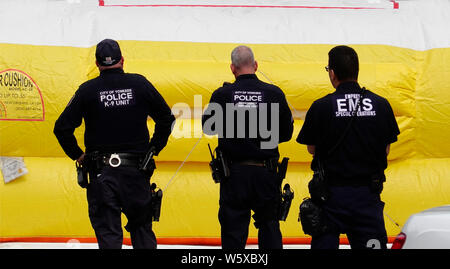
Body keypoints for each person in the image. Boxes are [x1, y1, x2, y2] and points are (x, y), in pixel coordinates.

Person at [53, 39, 175, 249]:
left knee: (109, 236)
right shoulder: (139, 84)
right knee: (142, 232)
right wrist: (153, 149)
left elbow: (61, 128)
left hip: (102, 175)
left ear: (97, 64)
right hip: (136, 172)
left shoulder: (88, 90)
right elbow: (167, 119)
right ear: (122, 60)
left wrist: (79, 156)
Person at [297, 45, 400, 249]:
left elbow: (311, 148)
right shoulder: (380, 104)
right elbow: (386, 148)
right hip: (367, 197)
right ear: (357, 70)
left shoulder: (322, 106)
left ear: (333, 73)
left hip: (330, 197)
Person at [202, 45, 294, 249]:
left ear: (232, 68)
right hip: (266, 173)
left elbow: (208, 128)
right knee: (269, 227)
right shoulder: (274, 93)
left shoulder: (223, 94)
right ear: (256, 65)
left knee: (233, 232)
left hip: (234, 175)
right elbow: (287, 134)